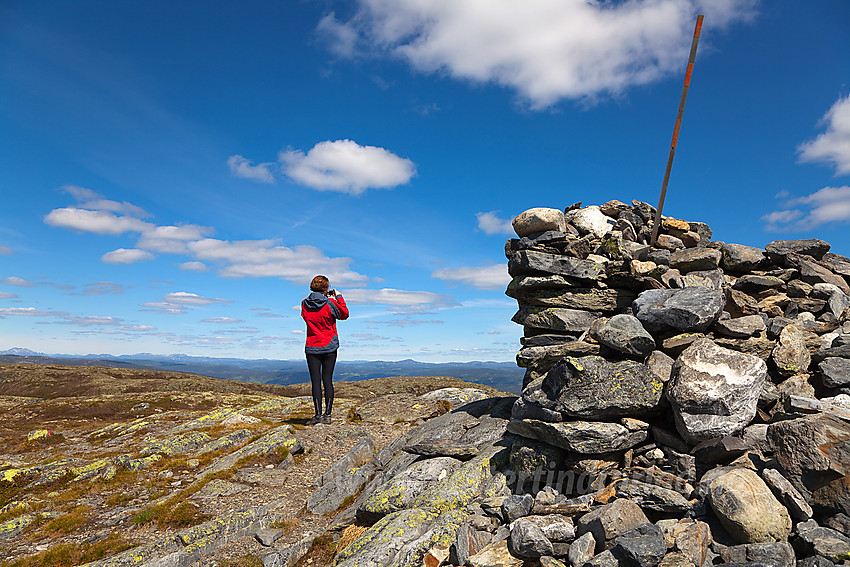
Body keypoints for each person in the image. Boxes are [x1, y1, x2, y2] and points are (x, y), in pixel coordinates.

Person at [301, 275, 349, 425]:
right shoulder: (330, 303)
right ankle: (327, 415)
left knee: (315, 381)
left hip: (312, 347)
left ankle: (317, 416)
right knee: (327, 380)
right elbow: (344, 314)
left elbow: (305, 317)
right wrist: (338, 297)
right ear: (326, 288)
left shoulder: (304, 304)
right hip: (329, 346)